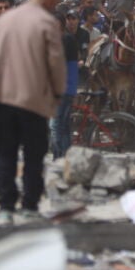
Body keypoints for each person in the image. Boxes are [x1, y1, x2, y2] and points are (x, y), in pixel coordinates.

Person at [0, 0, 66, 225]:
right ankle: (29, 206)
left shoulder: (6, 20)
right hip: (33, 101)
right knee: (34, 155)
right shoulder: (47, 23)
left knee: (5, 154)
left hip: (3, 98)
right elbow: (56, 63)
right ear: (51, 2)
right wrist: (58, 93)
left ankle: (5, 208)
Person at [52, 9, 81, 159]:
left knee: (56, 126)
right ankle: (65, 157)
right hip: (64, 88)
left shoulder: (65, 40)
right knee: (63, 126)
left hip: (63, 89)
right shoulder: (63, 39)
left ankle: (58, 157)